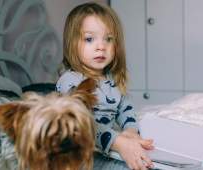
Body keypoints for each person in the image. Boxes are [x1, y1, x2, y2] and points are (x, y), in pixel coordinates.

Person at [56, 2, 154, 170]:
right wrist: (118, 142)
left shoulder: (112, 79)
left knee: (147, 161)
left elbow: (126, 109)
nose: (101, 47)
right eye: (89, 39)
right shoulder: (69, 81)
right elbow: (81, 125)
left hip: (108, 148)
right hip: (82, 151)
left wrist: (130, 131)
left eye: (108, 39)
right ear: (72, 43)